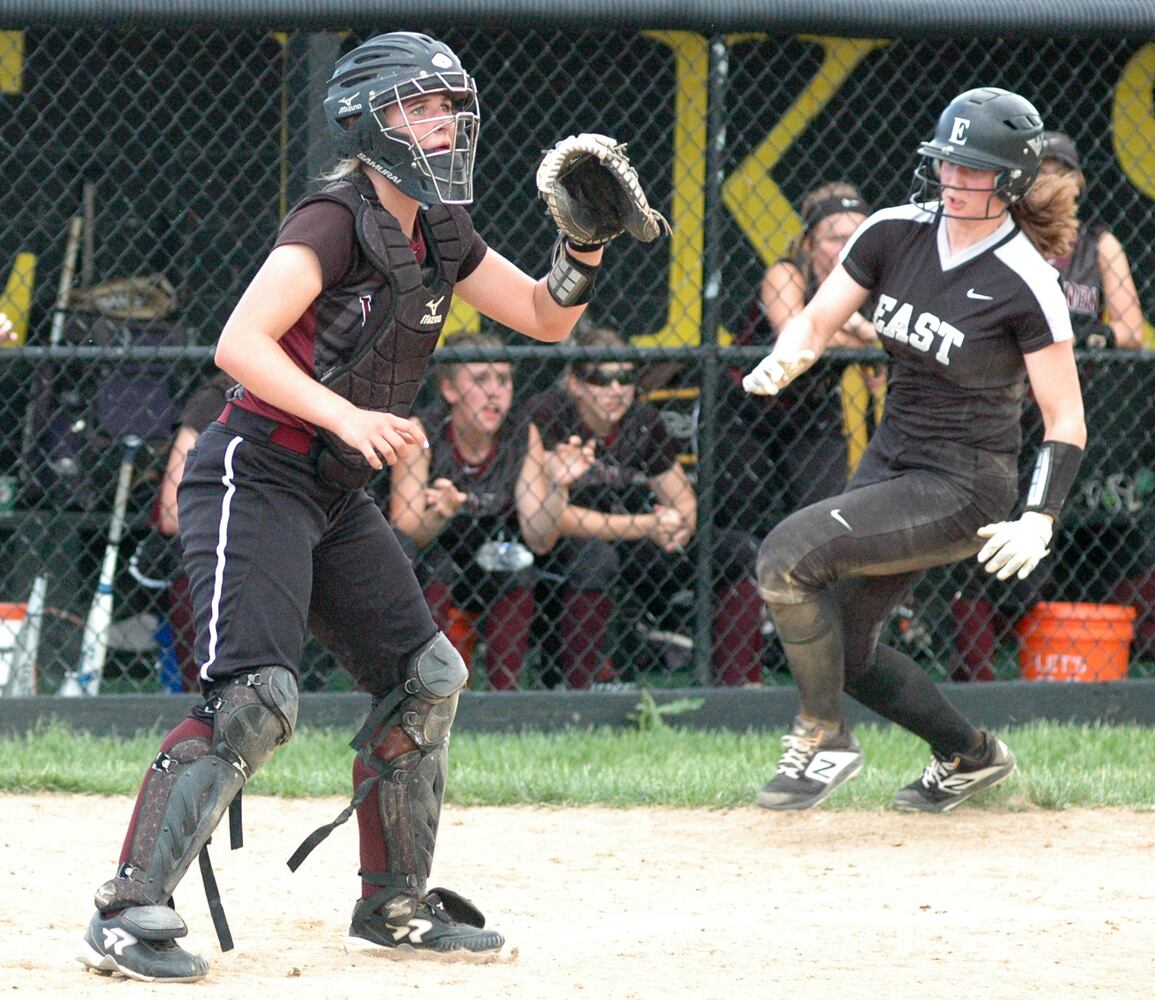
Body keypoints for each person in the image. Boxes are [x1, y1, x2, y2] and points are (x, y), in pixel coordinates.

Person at [77, 31, 655, 982]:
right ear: (370, 121)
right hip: (255, 472)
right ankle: (128, 906)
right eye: (422, 108)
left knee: (426, 676)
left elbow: (548, 314)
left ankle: (391, 906)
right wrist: (347, 413)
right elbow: (240, 343)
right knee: (256, 697)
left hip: (332, 491)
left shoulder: (442, 225)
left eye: (450, 109)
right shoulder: (334, 217)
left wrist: (582, 245)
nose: (444, 124)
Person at [742, 86, 1084, 812]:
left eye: (975, 169)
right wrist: (790, 354)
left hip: (964, 484)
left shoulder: (1025, 281)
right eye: (946, 163)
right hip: (893, 458)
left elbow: (1064, 418)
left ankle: (823, 738)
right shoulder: (891, 231)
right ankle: (970, 756)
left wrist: (1039, 516)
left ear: (1014, 180)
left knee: (783, 556)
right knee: (849, 650)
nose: (954, 180)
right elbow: (816, 317)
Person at [950, 130, 1148, 680]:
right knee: (991, 518)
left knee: (1083, 525)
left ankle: (1073, 655)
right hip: (1006, 399)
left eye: (1062, 169)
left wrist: (1093, 339)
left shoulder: (1097, 243)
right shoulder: (1004, 236)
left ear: (1079, 181)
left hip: (1073, 400)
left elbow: (1129, 329)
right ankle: (976, 671)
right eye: (1042, 169)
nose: (1052, 180)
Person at [528, 324, 766, 687]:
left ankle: (736, 684)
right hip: (568, 546)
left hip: (636, 538)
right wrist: (648, 526)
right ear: (575, 383)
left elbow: (684, 500)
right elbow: (555, 519)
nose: (616, 391)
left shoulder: (641, 420)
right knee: (595, 558)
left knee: (737, 550)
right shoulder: (549, 414)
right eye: (600, 380)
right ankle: (579, 689)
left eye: (625, 379)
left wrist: (676, 525)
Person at [388, 330, 594, 690]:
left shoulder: (521, 433)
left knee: (519, 569)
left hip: (491, 549)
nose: (495, 391)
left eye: (503, 379)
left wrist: (558, 485)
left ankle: (506, 697)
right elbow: (403, 526)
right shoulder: (422, 432)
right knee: (433, 564)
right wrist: (440, 512)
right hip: (435, 551)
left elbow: (539, 536)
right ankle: (432, 689)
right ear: (450, 390)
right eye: (480, 379)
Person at [720, 183, 884, 533]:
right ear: (810, 243)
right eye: (834, 238)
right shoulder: (787, 272)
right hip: (746, 408)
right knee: (741, 518)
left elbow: (886, 346)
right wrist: (864, 334)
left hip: (812, 410)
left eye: (856, 237)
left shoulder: (870, 283)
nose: (846, 249)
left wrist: (867, 340)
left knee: (822, 518)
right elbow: (797, 334)